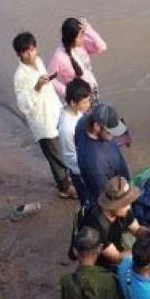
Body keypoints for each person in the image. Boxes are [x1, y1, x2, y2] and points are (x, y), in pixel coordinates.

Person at [12, 31, 74, 199]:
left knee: (65, 148)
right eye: (25, 51)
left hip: (55, 112)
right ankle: (64, 188)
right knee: (55, 157)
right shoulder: (19, 77)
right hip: (42, 122)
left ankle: (69, 180)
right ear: (19, 54)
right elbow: (24, 105)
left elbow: (49, 88)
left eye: (32, 49)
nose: (30, 54)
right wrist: (37, 87)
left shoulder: (38, 62)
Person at [80, 176, 150, 266]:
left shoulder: (123, 212)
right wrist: (147, 251)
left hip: (116, 247)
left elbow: (137, 229)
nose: (128, 207)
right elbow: (116, 258)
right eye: (124, 203)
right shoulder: (96, 226)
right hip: (100, 264)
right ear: (113, 205)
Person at [75, 102, 130, 205]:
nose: (114, 135)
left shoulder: (82, 122)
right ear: (96, 126)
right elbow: (107, 200)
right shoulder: (95, 166)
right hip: (115, 192)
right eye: (110, 132)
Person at [47, 17, 108, 100]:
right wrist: (67, 91)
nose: (82, 38)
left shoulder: (81, 45)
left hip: (93, 91)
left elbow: (102, 47)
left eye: (83, 34)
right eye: (79, 36)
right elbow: (49, 78)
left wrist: (89, 30)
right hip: (78, 100)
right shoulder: (59, 57)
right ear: (71, 38)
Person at [58, 78, 94, 206]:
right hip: (80, 172)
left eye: (89, 100)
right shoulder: (67, 129)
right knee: (88, 202)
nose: (88, 104)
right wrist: (88, 170)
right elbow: (70, 156)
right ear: (73, 103)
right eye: (85, 102)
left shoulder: (74, 112)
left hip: (84, 164)